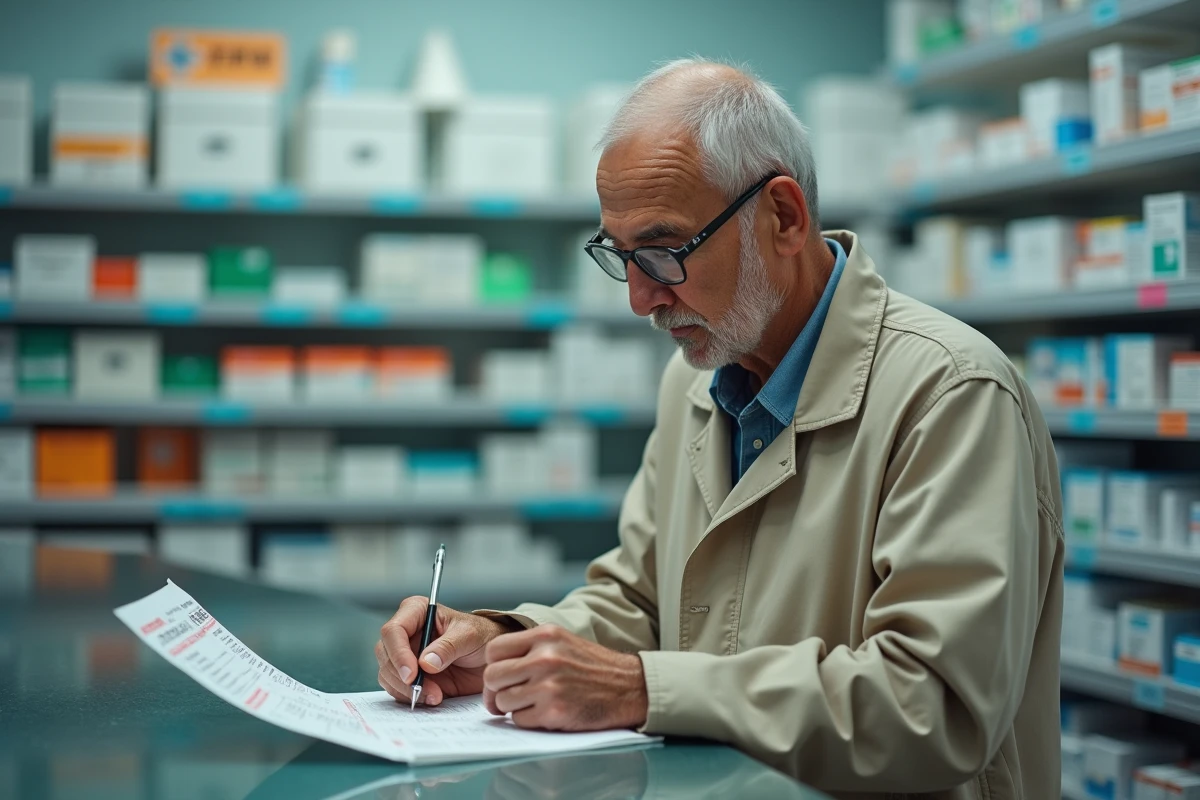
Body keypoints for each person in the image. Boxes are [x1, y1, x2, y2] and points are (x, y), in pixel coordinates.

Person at [375, 58, 1064, 799]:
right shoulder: (697, 381)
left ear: (785, 218)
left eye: (665, 251)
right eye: (620, 255)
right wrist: (502, 643)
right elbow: (639, 601)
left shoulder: (952, 393)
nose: (641, 299)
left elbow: (933, 708)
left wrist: (645, 691)